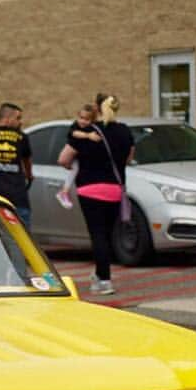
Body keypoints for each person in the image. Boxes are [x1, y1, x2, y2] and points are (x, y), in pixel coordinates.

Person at [58, 94, 134, 295]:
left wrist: (74, 165)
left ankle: (104, 280)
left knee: (97, 234)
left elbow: (63, 159)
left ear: (97, 109)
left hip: (89, 189)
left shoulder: (87, 130)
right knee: (107, 235)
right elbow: (128, 158)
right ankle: (100, 277)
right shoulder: (125, 131)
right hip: (114, 189)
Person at [56, 103, 101, 209]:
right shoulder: (76, 125)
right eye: (81, 118)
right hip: (73, 151)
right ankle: (64, 192)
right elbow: (74, 133)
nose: (83, 121)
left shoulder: (92, 128)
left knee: (75, 169)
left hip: (79, 156)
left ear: (92, 120)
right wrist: (88, 136)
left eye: (87, 119)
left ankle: (64, 192)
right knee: (73, 167)